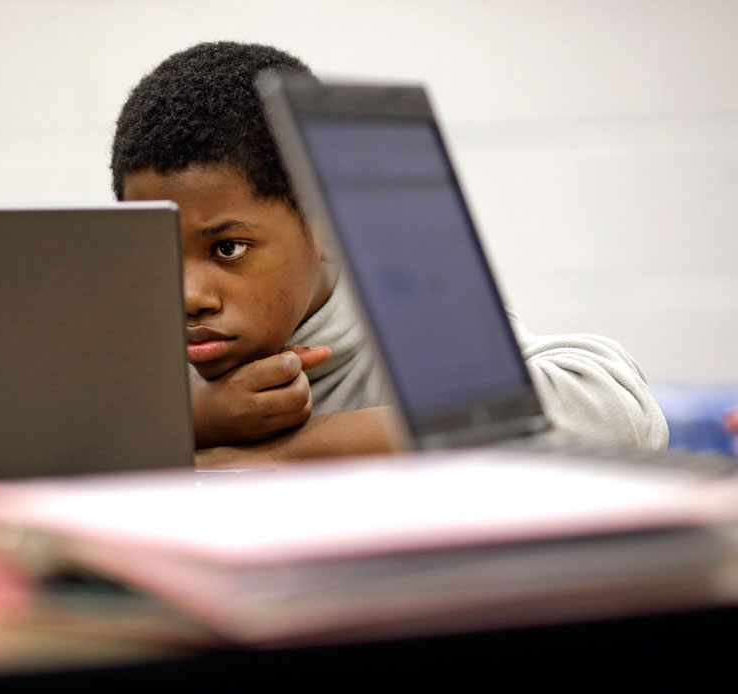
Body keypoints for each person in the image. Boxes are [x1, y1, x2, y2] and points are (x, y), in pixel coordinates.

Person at [109, 41, 669, 467]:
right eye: (156, 248)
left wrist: (291, 451)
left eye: (228, 248)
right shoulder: (134, 365)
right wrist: (198, 422)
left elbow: (622, 417)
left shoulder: (403, 333)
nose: (189, 295)